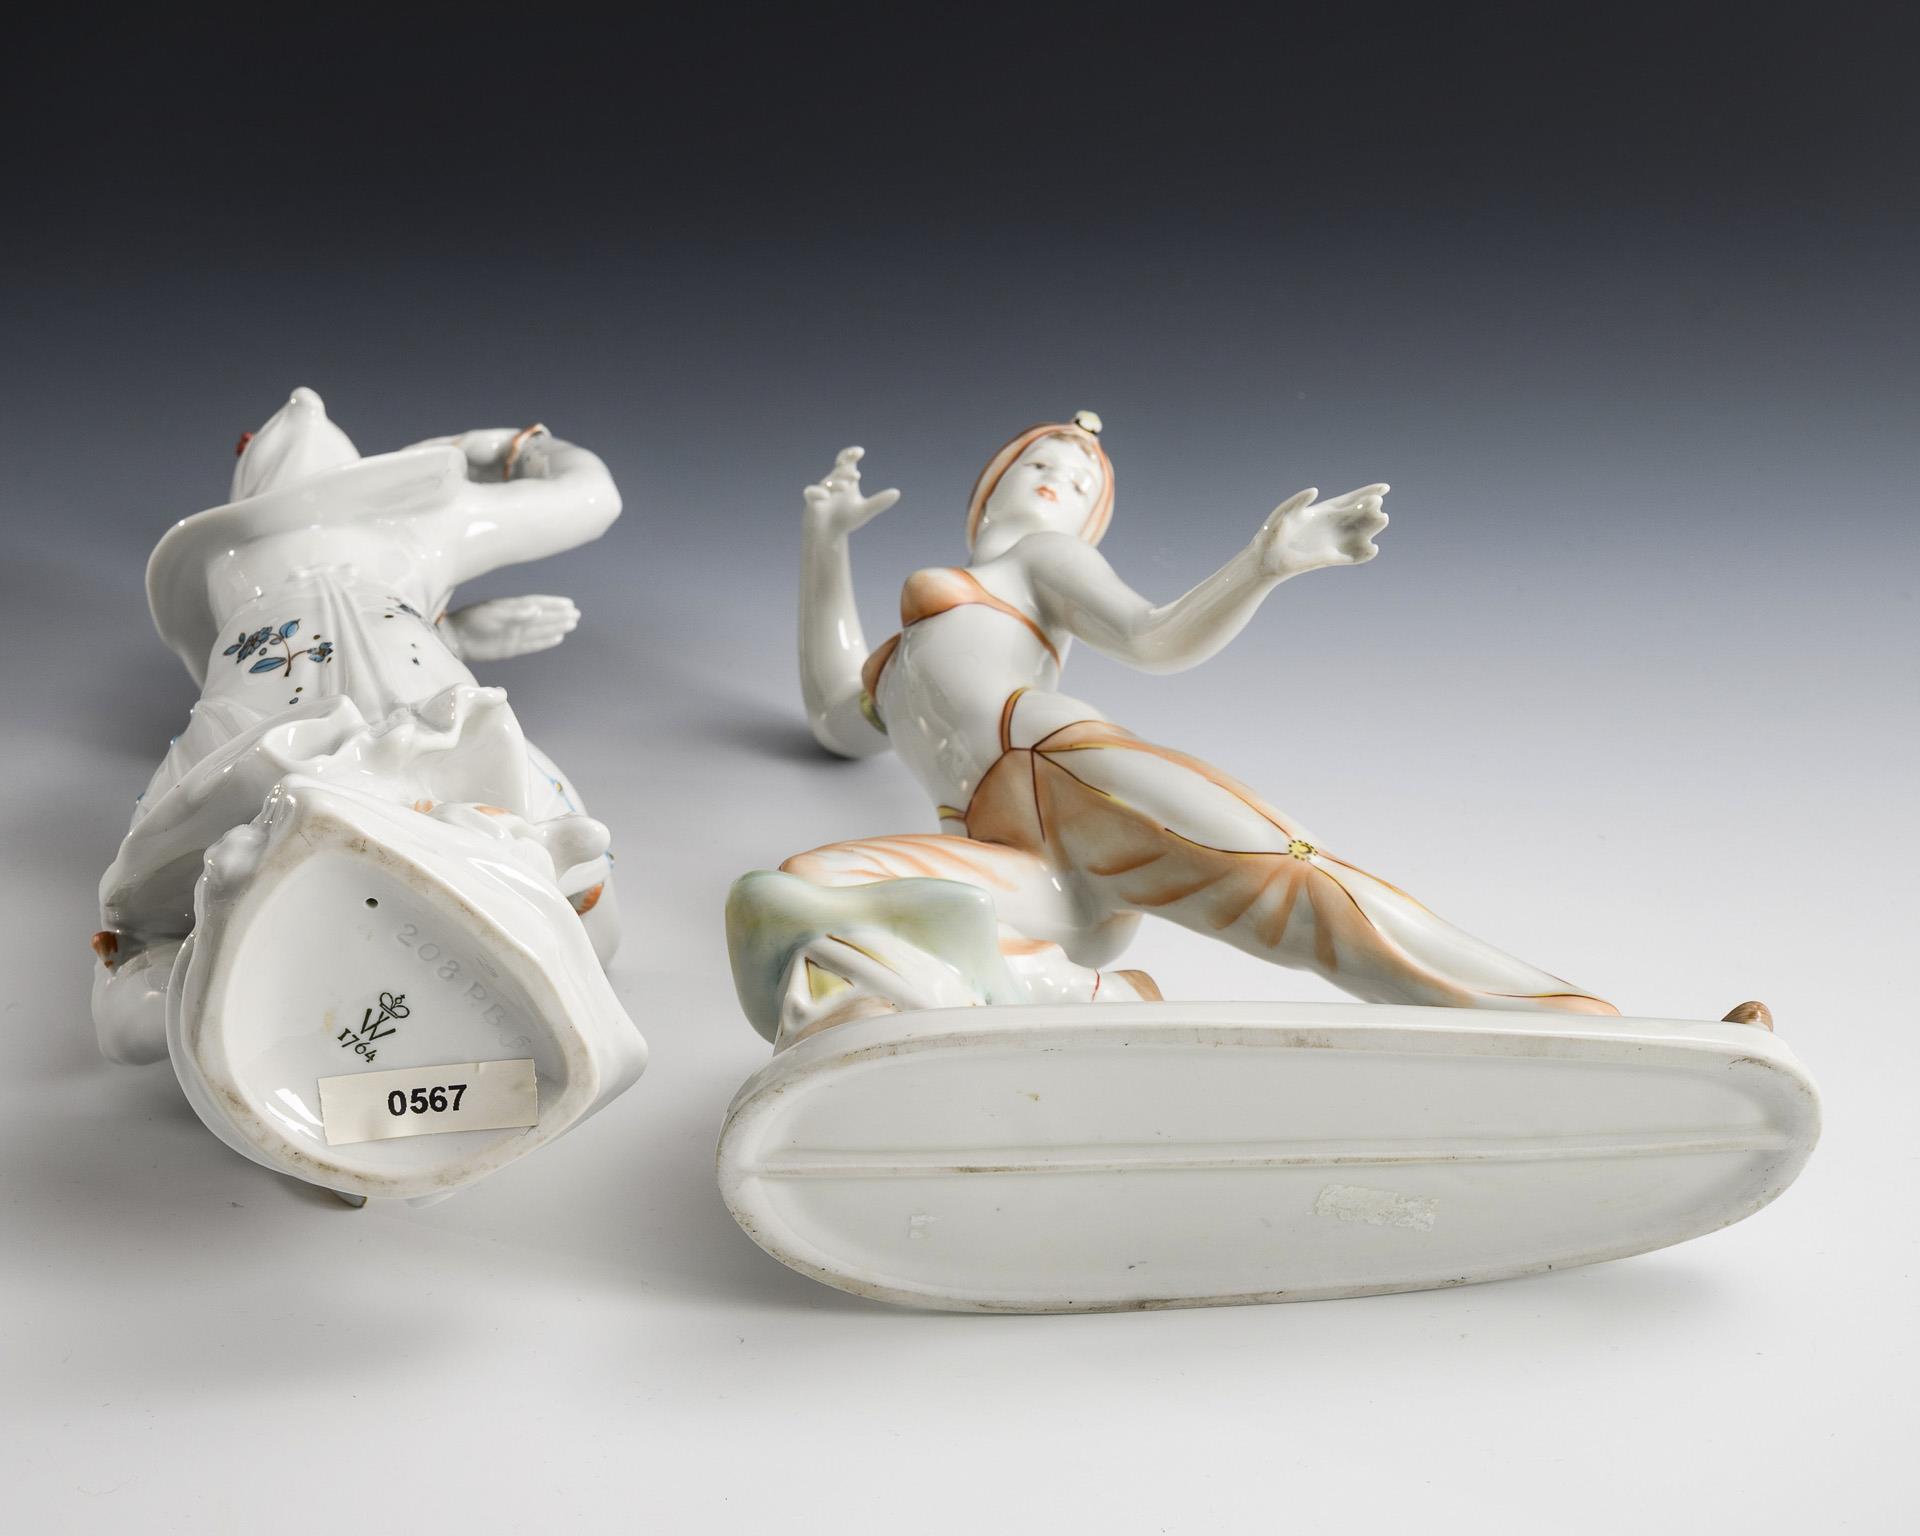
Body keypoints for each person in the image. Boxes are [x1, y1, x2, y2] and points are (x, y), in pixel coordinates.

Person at [731, 413, 1616, 1047]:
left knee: (1292, 878)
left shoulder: (1041, 560)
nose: (1059, 477)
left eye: (1082, 483)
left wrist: (1261, 566)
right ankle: (1082, 1003)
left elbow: (1153, 638)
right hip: (1013, 857)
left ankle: (1562, 1022)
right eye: (1039, 460)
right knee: (813, 888)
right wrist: (824, 542)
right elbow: (835, 720)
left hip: (1064, 772)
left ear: (1086, 526)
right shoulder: (896, 665)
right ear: (988, 487)